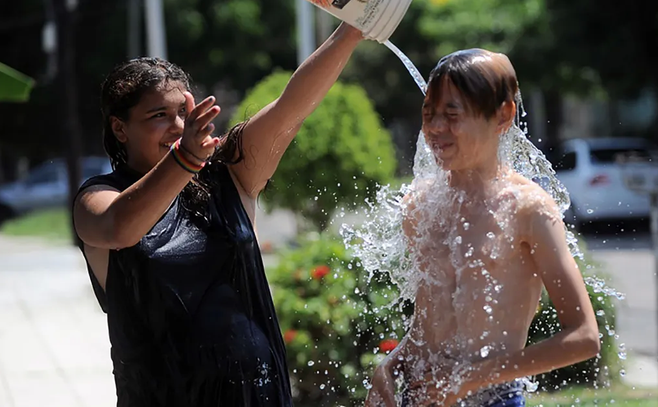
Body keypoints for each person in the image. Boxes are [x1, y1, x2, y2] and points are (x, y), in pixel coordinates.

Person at [72, 23, 364, 406]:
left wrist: (352, 32)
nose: (177, 126)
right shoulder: (98, 199)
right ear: (120, 128)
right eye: (158, 115)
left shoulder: (228, 173)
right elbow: (121, 228)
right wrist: (186, 158)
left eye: (182, 112)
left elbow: (290, 107)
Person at [364, 49, 601, 407]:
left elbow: (584, 337)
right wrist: (393, 363)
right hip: (420, 396)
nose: (435, 128)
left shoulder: (528, 209)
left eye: (452, 114)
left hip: (493, 399)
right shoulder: (421, 203)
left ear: (503, 115)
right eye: (428, 115)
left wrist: (467, 381)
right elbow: (434, 324)